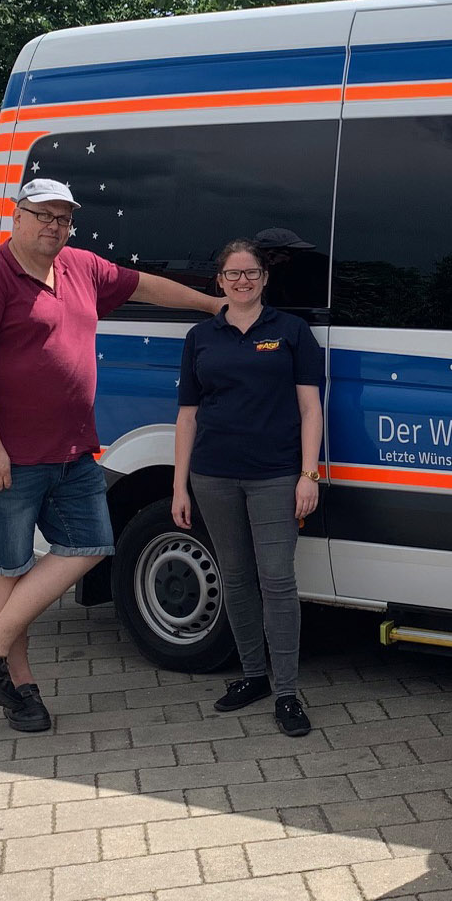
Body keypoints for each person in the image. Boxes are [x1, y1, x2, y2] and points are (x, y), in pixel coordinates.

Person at [0, 178, 222, 732]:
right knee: (7, 563)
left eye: (63, 218)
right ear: (16, 218)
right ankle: (20, 689)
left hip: (72, 447)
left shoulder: (80, 266)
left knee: (92, 543)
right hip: (3, 454)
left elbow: (146, 286)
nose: (53, 226)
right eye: (43, 215)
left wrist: (214, 304)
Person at [172, 238, 324, 737]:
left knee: (277, 581)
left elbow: (309, 409)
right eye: (233, 274)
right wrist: (179, 487)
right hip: (212, 476)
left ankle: (286, 692)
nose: (242, 281)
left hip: (276, 475)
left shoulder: (292, 332)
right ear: (219, 281)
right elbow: (187, 417)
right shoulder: (201, 337)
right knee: (235, 578)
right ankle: (253, 676)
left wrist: (308, 474)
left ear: (264, 278)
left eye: (251, 273)